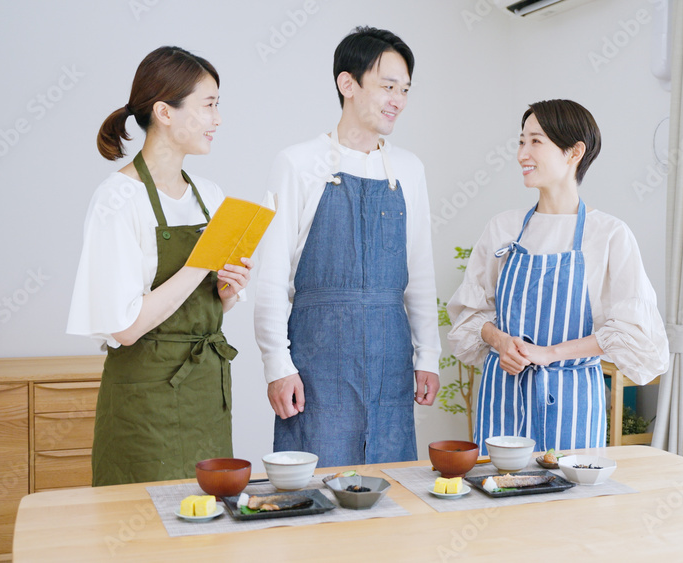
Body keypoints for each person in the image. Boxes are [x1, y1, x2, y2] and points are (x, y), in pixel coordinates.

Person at [254, 26, 440, 467]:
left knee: (391, 483)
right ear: (347, 83)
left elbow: (420, 274)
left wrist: (428, 355)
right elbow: (271, 277)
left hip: (391, 357)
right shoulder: (297, 162)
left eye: (405, 90)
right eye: (388, 86)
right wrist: (277, 364)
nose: (398, 100)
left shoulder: (409, 169)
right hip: (318, 362)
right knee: (317, 486)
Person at [67, 46, 252, 486]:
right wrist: (200, 264)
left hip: (206, 391)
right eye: (208, 105)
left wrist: (227, 291)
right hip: (145, 402)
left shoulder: (210, 195)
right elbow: (126, 328)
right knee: (145, 518)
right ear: (165, 112)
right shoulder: (117, 199)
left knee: (208, 515)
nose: (217, 119)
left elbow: (208, 307)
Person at [446, 99, 668, 454]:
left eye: (536, 141)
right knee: (497, 485)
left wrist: (549, 353)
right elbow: (469, 316)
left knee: (567, 488)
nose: (522, 154)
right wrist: (500, 341)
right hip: (503, 394)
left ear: (574, 152)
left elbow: (634, 334)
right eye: (521, 141)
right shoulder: (503, 228)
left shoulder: (609, 234)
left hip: (573, 403)